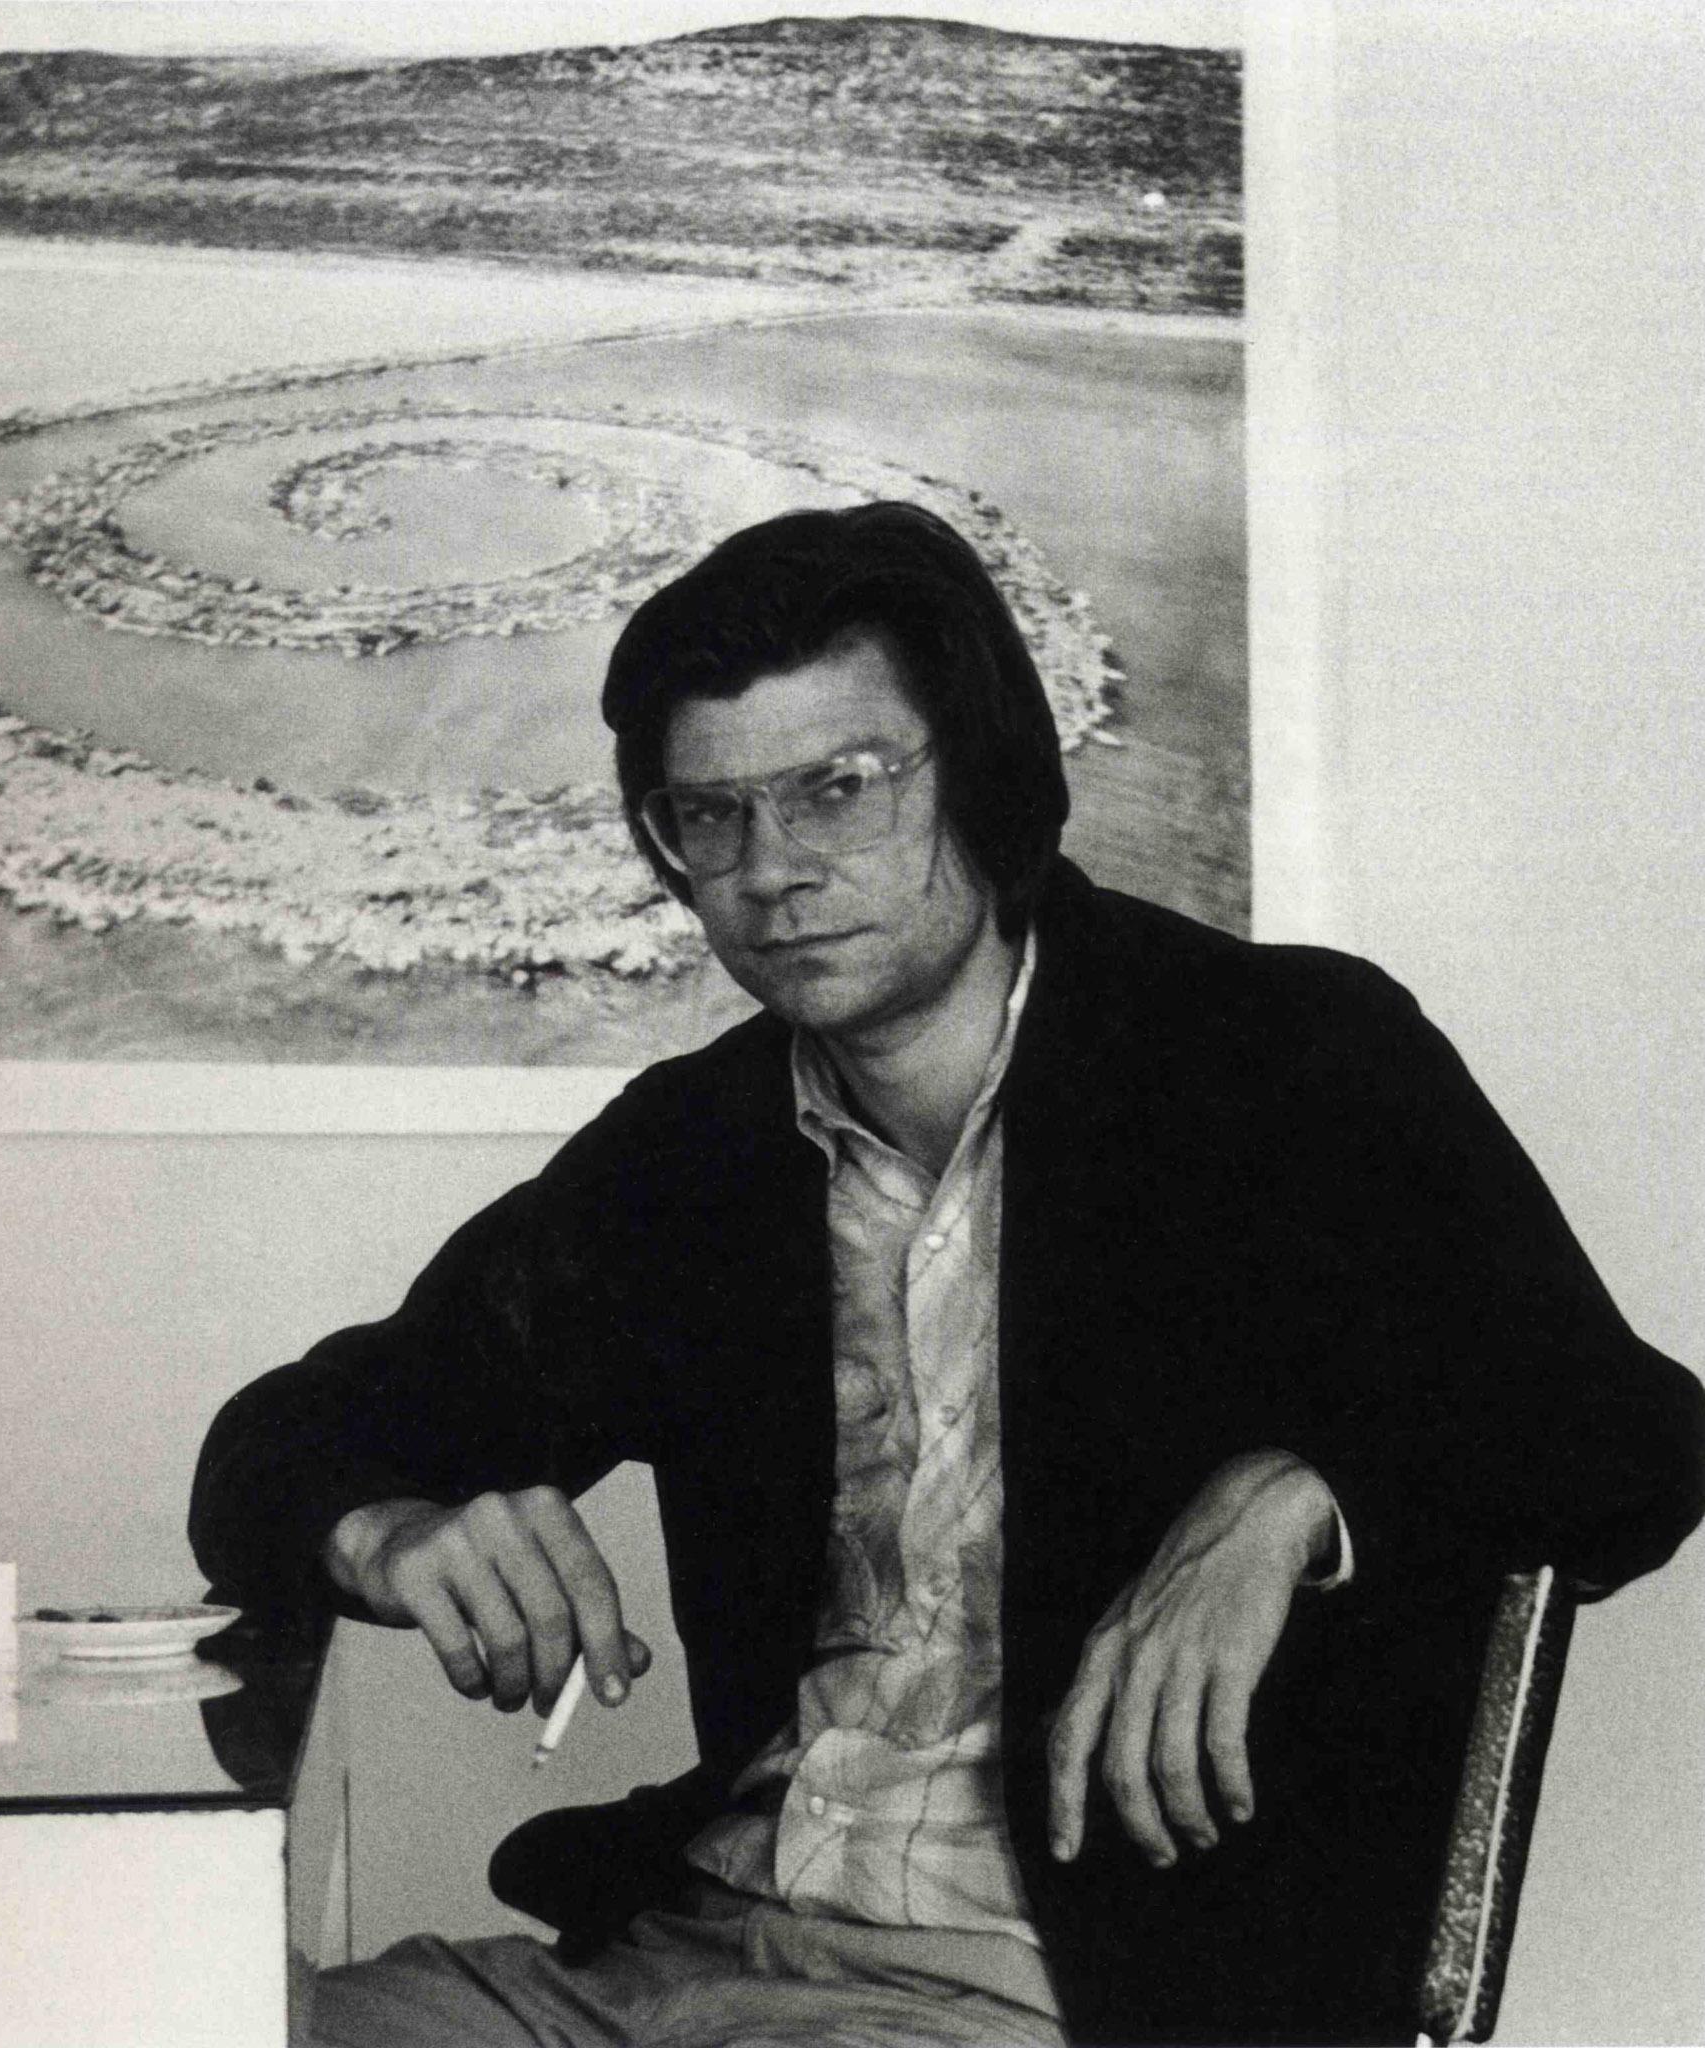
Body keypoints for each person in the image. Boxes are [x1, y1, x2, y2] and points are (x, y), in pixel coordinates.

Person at [190, 503, 1703, 2047]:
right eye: (705, 817)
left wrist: (1301, 1499)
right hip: (683, 1959)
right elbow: (279, 1443)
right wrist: (383, 1530)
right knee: (129, 2007)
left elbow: (1630, 1436)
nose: (770, 871)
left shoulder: (1282, 1061)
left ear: (979, 776)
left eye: (836, 791)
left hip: (1075, 1998)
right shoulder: (693, 1156)